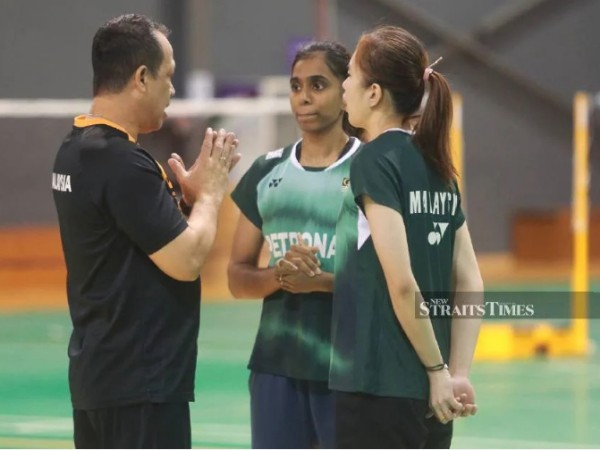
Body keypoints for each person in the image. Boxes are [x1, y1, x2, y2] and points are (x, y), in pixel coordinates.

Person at [51, 14, 240, 449]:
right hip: (141, 386)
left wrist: (187, 203)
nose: (172, 91)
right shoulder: (121, 162)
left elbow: (134, 237)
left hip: (100, 380)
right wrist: (211, 195)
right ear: (141, 77)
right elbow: (187, 260)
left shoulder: (74, 150)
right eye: (168, 77)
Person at [329, 25, 483, 448]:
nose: (343, 86)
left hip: (377, 383)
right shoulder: (439, 166)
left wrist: (437, 371)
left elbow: (401, 282)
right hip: (433, 394)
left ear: (374, 93)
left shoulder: (373, 162)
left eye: (350, 76)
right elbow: (470, 282)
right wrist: (457, 373)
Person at [227, 41, 361, 448]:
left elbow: (393, 280)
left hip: (349, 367)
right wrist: (279, 276)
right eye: (296, 85)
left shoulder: (372, 169)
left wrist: (320, 280)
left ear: (346, 91)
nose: (303, 97)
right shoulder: (266, 171)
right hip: (275, 366)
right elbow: (237, 276)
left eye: (318, 84)